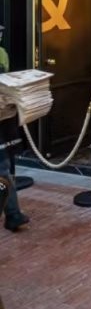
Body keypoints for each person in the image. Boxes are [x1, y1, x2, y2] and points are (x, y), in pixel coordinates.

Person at [0, 23, 30, 231]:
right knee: (2, 168)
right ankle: (12, 214)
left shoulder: (2, 53)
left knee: (2, 167)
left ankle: (13, 213)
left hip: (2, 118)